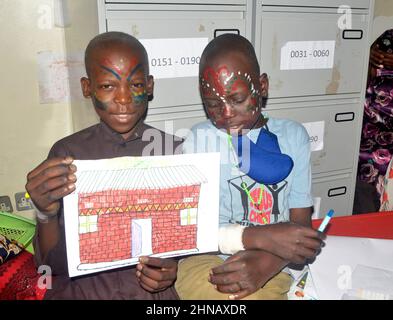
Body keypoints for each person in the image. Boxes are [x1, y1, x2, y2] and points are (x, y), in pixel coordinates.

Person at [25, 31, 182, 299]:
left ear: (150, 85)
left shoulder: (174, 151)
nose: (123, 98)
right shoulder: (67, 154)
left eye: (135, 85)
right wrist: (45, 213)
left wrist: (173, 269)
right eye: (108, 86)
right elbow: (51, 268)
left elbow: (188, 245)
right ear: (87, 88)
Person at [175, 34, 326, 300]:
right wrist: (259, 237)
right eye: (212, 104)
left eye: (237, 98)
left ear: (262, 86)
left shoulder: (294, 136)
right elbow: (190, 231)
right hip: (207, 258)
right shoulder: (199, 140)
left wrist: (267, 264)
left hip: (274, 262)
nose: (226, 113)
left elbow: (300, 227)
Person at [355, 29, 393, 213]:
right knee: (352, 152)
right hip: (370, 121)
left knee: (380, 160)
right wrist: (367, 57)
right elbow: (362, 78)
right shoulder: (389, 37)